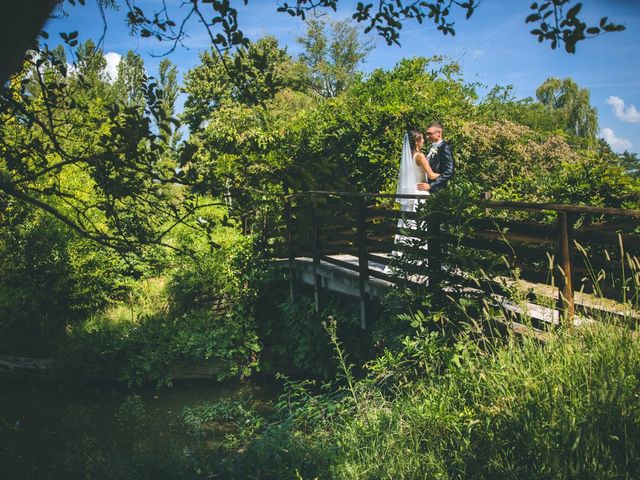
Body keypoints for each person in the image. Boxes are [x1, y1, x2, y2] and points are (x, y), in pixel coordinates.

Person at [416, 122, 454, 193]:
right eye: (427, 134)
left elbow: (449, 172)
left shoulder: (444, 148)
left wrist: (431, 185)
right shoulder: (431, 147)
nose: (427, 137)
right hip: (427, 189)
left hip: (438, 190)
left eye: (430, 134)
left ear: (439, 133)